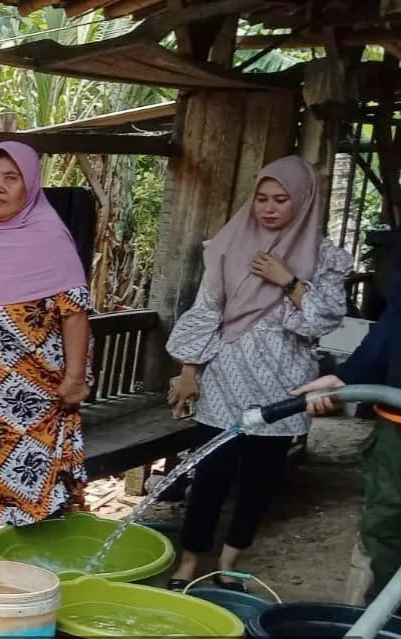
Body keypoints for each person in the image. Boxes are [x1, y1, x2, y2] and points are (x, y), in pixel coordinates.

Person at [165, 155, 350, 591]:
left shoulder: (325, 257)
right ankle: (188, 563)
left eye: (281, 200)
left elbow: (322, 321)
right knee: (210, 476)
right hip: (225, 378)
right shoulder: (230, 245)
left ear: (302, 203)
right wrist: (189, 371)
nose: (268, 208)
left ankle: (230, 564)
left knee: (260, 482)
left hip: (284, 384)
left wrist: (288, 280)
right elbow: (207, 310)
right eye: (262, 198)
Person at [0, 141, 92, 562]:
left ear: (30, 186)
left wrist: (75, 378)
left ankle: (27, 569)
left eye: (11, 178)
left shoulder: (49, 238)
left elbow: (74, 312)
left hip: (25, 402)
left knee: (31, 478)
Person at [296, 256, 401, 603]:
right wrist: (350, 376)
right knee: (384, 527)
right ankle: (369, 619)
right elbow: (395, 321)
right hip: (397, 425)